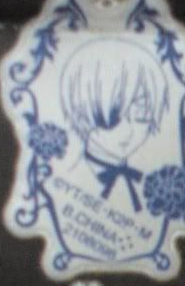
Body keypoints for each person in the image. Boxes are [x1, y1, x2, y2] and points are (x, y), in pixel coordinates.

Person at [60, 37, 169, 209]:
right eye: (113, 117)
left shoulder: (151, 185)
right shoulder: (64, 181)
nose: (129, 132)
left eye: (142, 116)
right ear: (81, 113)